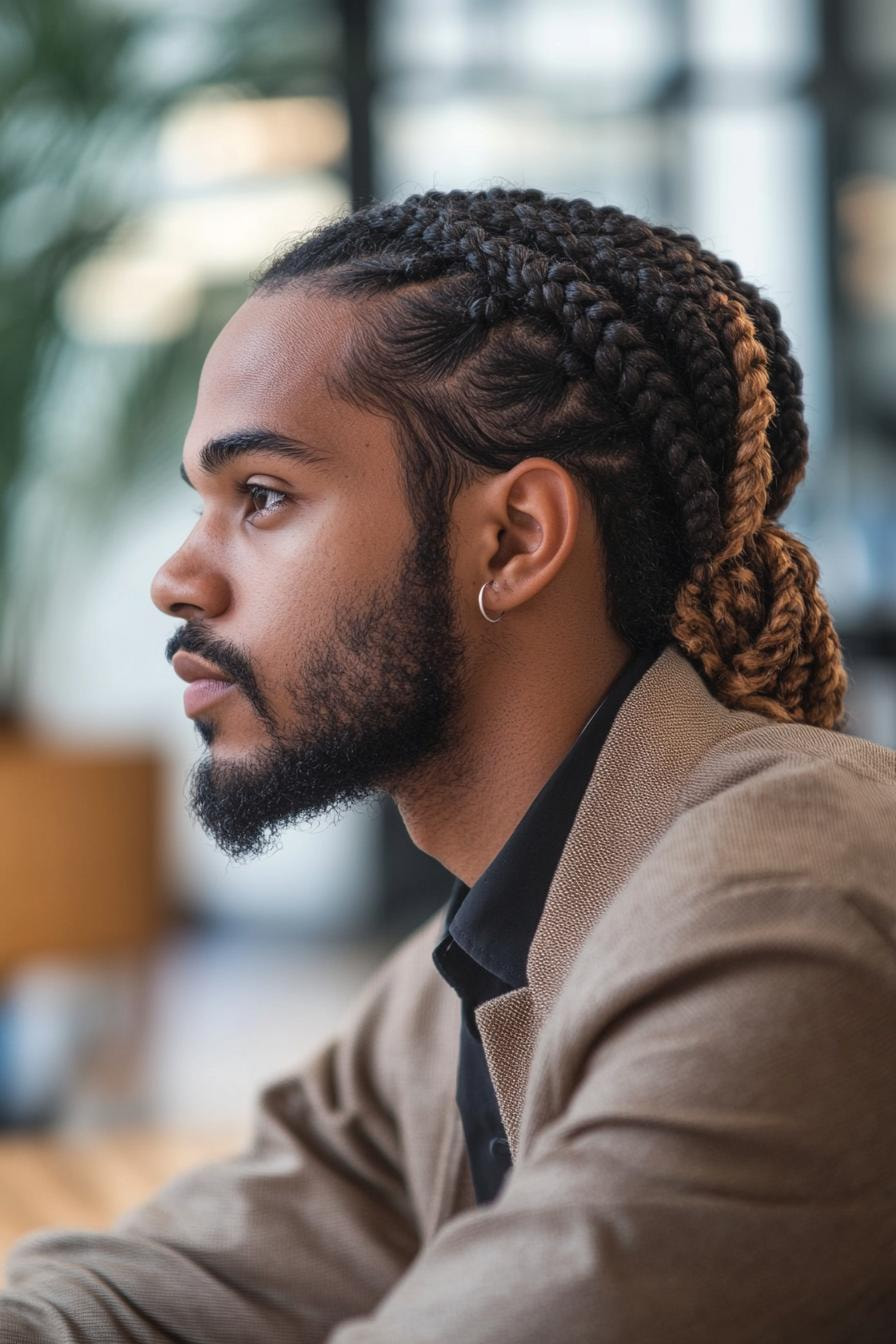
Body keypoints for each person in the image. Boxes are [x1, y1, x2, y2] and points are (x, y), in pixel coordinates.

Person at [2, 186, 895, 1343]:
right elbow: (176, 1281)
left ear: (515, 539)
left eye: (261, 497)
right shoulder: (470, 963)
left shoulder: (781, 903)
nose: (177, 579)